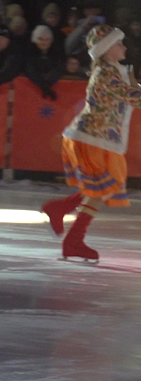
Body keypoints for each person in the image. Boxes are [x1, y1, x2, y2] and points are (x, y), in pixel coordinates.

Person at [41, 24, 140, 263]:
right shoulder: (106, 73)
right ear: (106, 50)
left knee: (104, 185)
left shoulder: (112, 69)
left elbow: (131, 93)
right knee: (105, 186)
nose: (124, 47)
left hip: (97, 137)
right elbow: (131, 96)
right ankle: (73, 239)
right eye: (119, 43)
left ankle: (62, 212)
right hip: (92, 138)